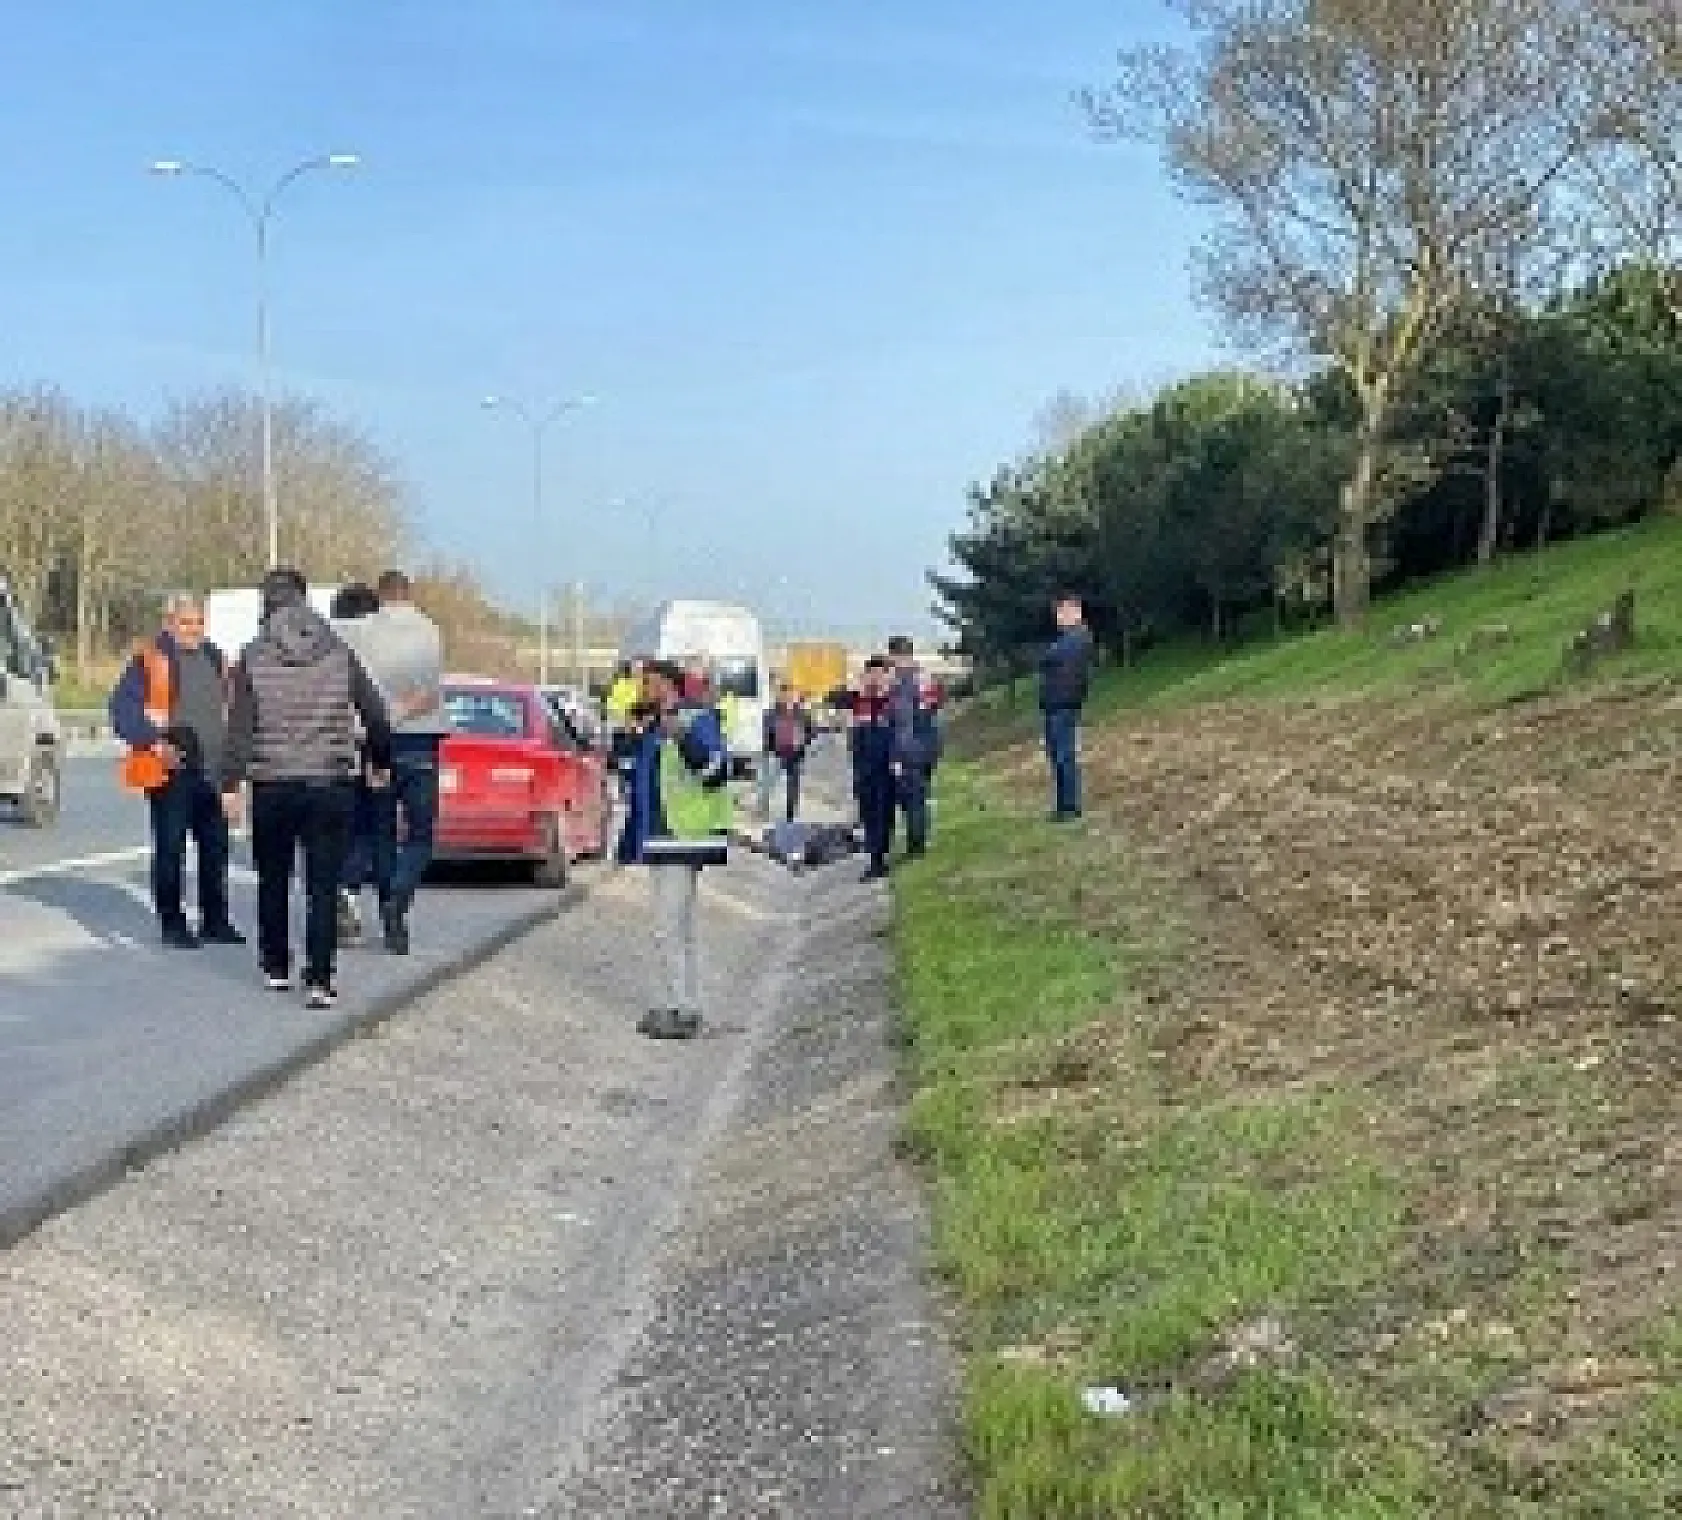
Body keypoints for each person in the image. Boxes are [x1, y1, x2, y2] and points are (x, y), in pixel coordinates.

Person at [220, 568, 393, 1009]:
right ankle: (320, 979)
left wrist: (230, 784)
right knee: (322, 883)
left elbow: (240, 728)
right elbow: (376, 714)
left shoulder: (252, 657)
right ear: (304, 601)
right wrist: (378, 761)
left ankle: (276, 966)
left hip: (273, 783)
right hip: (330, 781)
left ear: (267, 604)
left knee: (273, 879)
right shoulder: (339, 652)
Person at [109, 591, 244, 950]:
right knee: (171, 849)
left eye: (199, 622)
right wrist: (155, 743)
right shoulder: (150, 660)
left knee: (216, 850)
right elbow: (123, 711)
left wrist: (234, 773)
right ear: (169, 623)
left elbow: (234, 711)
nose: (194, 629)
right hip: (172, 771)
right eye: (186, 622)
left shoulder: (216, 658)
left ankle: (215, 920)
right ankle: (173, 923)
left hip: (213, 772)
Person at [618, 659, 733, 1040]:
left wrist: (682, 737)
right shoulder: (653, 725)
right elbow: (640, 781)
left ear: (667, 685)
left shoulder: (696, 720)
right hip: (662, 839)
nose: (642, 691)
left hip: (682, 837)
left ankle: (683, 1010)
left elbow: (716, 771)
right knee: (675, 927)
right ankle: (681, 1004)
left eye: (648, 684)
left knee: (668, 928)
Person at [341, 568, 447, 955]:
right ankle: (398, 899)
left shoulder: (362, 631)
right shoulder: (429, 631)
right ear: (409, 594)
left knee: (379, 830)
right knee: (420, 833)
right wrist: (401, 714)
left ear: (380, 596)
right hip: (419, 741)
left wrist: (378, 724)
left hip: (375, 742)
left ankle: (388, 909)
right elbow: (429, 695)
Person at [328, 581, 383, 945]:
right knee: (363, 828)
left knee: (326, 829)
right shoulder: (379, 647)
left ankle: (331, 893)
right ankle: (346, 892)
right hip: (361, 745)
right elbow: (381, 707)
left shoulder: (320, 642)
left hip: (319, 748)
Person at [1039, 591, 1094, 822]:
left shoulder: (1078, 638)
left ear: (1074, 611)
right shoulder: (1068, 639)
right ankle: (1063, 805)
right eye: (1057, 614)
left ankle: (1070, 806)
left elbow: (1049, 657)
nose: (1058, 619)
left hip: (1064, 705)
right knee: (1057, 756)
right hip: (1055, 705)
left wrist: (1048, 656)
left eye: (1061, 613)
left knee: (1064, 756)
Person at [886, 634, 940, 859]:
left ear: (895, 656)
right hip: (928, 746)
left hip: (909, 751)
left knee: (911, 800)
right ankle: (922, 839)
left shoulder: (902, 683)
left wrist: (897, 756)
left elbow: (903, 722)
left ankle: (916, 847)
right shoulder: (925, 677)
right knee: (921, 795)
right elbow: (932, 710)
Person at [849, 656, 897, 882]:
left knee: (884, 815)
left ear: (887, 675)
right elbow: (856, 736)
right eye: (871, 674)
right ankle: (874, 858)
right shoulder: (861, 702)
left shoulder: (895, 702)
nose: (875, 678)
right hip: (865, 768)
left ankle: (881, 858)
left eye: (880, 673)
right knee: (868, 815)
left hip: (889, 768)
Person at [758, 680, 814, 823]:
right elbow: (765, 732)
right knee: (768, 782)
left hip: (795, 754)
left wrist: (804, 741)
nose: (788, 697)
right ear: (779, 696)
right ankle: (763, 806)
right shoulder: (770, 713)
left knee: (793, 784)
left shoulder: (803, 714)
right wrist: (767, 749)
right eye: (784, 694)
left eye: (791, 694)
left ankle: (790, 814)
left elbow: (812, 731)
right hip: (775, 753)